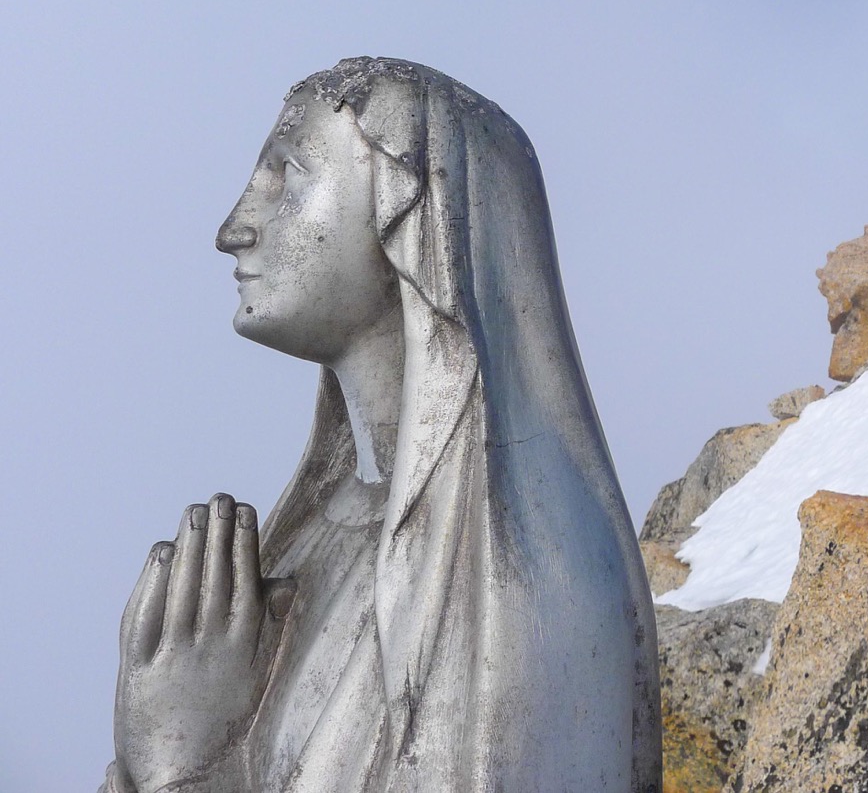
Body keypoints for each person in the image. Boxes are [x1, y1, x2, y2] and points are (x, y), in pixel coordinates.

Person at [104, 58, 660, 793]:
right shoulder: (305, 542)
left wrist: (177, 769)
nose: (234, 228)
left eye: (287, 177)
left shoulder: (531, 584)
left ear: (411, 215)